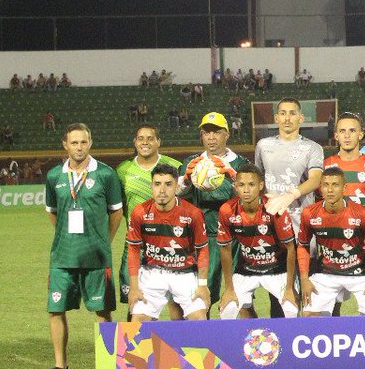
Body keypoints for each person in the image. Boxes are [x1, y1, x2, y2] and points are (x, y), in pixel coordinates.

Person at [40, 123, 124, 369]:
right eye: (74, 142)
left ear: (90, 143)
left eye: (83, 142)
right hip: (62, 256)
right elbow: (53, 213)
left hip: (96, 257)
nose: (79, 147)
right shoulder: (54, 176)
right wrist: (66, 237)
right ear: (65, 145)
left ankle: (108, 368)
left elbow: (116, 211)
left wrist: (103, 240)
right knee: (55, 310)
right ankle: (60, 368)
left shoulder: (106, 174)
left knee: (102, 312)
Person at [179, 112, 250, 313]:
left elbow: (251, 199)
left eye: (216, 132)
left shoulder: (241, 163)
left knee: (242, 299)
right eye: (206, 132)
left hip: (236, 237)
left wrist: (234, 177)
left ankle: (241, 333)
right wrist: (185, 180)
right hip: (204, 239)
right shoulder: (192, 162)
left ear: (227, 134)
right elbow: (178, 198)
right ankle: (204, 333)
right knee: (203, 297)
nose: (211, 137)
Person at [125, 164, 210, 322]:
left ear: (176, 187)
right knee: (138, 321)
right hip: (152, 273)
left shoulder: (193, 214)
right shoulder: (139, 212)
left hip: (184, 274)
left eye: (168, 184)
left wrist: (202, 284)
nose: (162, 190)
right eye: (157, 184)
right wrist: (134, 287)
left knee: (199, 319)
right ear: (151, 186)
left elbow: (202, 250)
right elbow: (133, 250)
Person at [114, 125, 182, 318]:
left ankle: (179, 337)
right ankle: (136, 338)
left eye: (150, 138)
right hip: (136, 243)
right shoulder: (123, 170)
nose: (145, 142)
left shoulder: (175, 167)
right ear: (135, 142)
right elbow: (120, 206)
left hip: (169, 243)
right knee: (135, 300)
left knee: (175, 301)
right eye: (141, 138)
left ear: (158, 142)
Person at [216, 165, 299, 318]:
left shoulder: (274, 208)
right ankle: (248, 333)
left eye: (251, 185)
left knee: (291, 309)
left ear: (260, 186)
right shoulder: (227, 210)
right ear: (235, 186)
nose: (246, 190)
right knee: (228, 309)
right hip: (246, 269)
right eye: (241, 185)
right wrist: (228, 289)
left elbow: (290, 248)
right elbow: (225, 249)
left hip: (277, 269)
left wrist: (289, 288)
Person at [297, 167, 365, 317]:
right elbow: (303, 246)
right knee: (309, 316)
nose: (330, 190)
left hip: (360, 273)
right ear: (320, 188)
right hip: (326, 273)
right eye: (325, 185)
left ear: (344, 188)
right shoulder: (309, 213)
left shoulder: (363, 213)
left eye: (335, 185)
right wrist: (304, 279)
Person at [258, 99, 325, 230]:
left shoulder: (313, 147)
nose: (287, 118)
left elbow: (316, 179)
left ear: (301, 118)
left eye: (292, 113)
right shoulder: (262, 145)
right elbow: (258, 179)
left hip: (300, 219)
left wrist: (291, 195)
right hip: (270, 216)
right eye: (283, 113)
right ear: (276, 118)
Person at [325, 112, 365, 209]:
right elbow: (320, 203)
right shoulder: (325, 166)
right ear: (336, 136)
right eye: (342, 131)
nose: (347, 135)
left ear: (361, 135)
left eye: (352, 131)